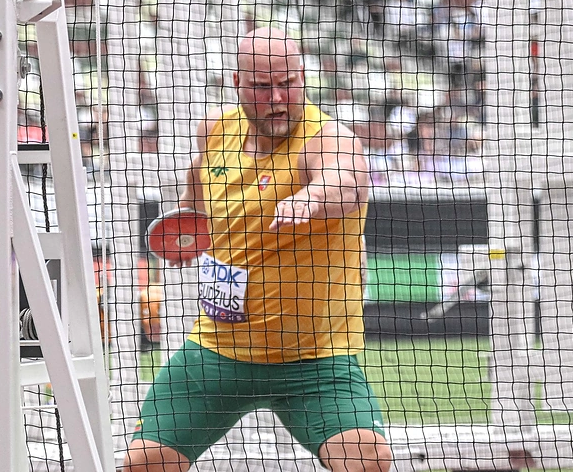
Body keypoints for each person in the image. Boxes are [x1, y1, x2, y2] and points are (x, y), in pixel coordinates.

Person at [122, 28, 392, 472]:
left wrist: (312, 197)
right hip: (218, 353)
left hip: (314, 363)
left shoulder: (326, 137)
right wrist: (187, 224)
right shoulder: (216, 130)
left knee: (366, 460)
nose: (277, 98)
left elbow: (349, 179)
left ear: (303, 77)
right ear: (237, 83)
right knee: (143, 463)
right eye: (263, 87)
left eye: (288, 83)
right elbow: (200, 183)